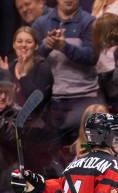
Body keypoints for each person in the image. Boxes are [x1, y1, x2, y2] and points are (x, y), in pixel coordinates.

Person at [32, 0, 100, 146]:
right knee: (52, 157)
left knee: (85, 152)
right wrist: (46, 47)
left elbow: (93, 56)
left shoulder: (90, 22)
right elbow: (31, 59)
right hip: (52, 100)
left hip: (84, 98)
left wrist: (64, 46)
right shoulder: (41, 23)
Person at [0, 26, 55, 175]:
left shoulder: (43, 68)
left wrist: (22, 76)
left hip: (34, 132)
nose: (23, 45)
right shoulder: (8, 68)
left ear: (36, 46)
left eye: (28, 42)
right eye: (19, 41)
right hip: (10, 129)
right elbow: (1, 102)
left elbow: (36, 103)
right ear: (14, 45)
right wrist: (3, 78)